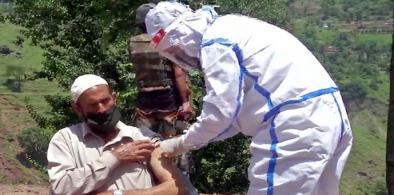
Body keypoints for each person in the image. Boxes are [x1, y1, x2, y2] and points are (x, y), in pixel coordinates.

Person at [143, 2, 353, 195]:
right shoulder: (235, 26)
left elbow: (221, 114)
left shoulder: (215, 44)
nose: (178, 54)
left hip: (294, 125)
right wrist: (192, 140)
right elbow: (233, 119)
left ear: (179, 33)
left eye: (173, 48)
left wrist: (178, 144)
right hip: (330, 117)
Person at [47, 74, 195, 195]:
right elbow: (61, 188)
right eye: (93, 105)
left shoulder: (142, 138)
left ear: (114, 98)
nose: (102, 110)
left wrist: (118, 194)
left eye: (105, 101)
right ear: (77, 109)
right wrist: (114, 158)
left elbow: (176, 188)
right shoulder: (65, 140)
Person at [128, 3, 194, 175]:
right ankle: (181, 186)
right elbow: (179, 73)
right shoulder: (164, 40)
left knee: (145, 146)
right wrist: (186, 101)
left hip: (144, 103)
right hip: (169, 102)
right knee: (178, 147)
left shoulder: (133, 43)